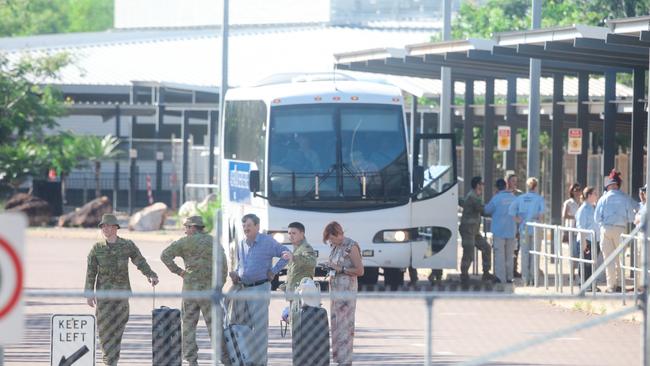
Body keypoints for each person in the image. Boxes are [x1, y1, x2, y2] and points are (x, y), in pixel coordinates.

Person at [85, 213, 159, 366]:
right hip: (104, 297)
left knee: (118, 330)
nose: (105, 229)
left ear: (115, 228)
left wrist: (150, 275)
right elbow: (91, 271)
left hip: (121, 296)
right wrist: (89, 293)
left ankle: (113, 361)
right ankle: (108, 361)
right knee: (105, 331)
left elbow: (140, 261)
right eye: (103, 226)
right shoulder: (97, 248)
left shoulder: (127, 245)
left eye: (108, 226)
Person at [160, 216, 228, 366]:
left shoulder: (184, 242)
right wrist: (219, 286)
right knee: (214, 325)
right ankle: (224, 358)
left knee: (189, 325)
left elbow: (164, 255)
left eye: (186, 228)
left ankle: (191, 360)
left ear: (192, 227)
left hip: (190, 290)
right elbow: (223, 265)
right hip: (209, 291)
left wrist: (179, 272)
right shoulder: (213, 242)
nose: (185, 231)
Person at [228, 213, 292, 365]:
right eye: (244, 226)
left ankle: (261, 362)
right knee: (244, 328)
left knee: (260, 329)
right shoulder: (242, 242)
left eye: (249, 226)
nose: (246, 229)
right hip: (243, 289)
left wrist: (274, 271)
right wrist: (236, 274)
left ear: (257, 226)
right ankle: (248, 360)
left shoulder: (267, 241)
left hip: (259, 289)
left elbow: (287, 254)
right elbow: (240, 265)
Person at [323, 221, 364, 366]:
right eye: (329, 240)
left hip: (346, 295)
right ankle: (340, 360)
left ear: (339, 233)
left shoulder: (350, 246)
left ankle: (346, 361)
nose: (331, 241)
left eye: (332, 238)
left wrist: (341, 269)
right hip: (335, 295)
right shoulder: (335, 247)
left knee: (345, 328)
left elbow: (360, 271)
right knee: (336, 327)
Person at [594, 170, 636, 293]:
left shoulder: (603, 198)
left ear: (609, 186)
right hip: (620, 230)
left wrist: (604, 223)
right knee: (620, 259)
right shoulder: (625, 197)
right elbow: (632, 217)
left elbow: (596, 218)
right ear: (617, 185)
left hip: (605, 229)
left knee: (608, 259)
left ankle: (611, 286)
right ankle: (620, 284)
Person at [459, 176, 495, 285]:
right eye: (481, 184)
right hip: (468, 230)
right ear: (477, 185)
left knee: (486, 248)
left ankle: (486, 272)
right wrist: (496, 211)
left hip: (474, 231)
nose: (483, 186)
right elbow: (483, 211)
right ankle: (464, 275)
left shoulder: (476, 196)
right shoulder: (473, 197)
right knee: (468, 253)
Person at [509, 177, 545, 286]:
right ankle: (534, 279)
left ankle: (525, 279)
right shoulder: (539, 199)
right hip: (535, 227)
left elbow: (511, 212)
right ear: (536, 186)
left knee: (524, 253)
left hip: (523, 227)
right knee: (535, 254)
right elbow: (541, 214)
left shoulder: (521, 198)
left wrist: (520, 220)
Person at [484, 179, 517, 283]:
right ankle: (509, 277)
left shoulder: (496, 198)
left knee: (499, 255)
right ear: (506, 186)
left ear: (497, 188)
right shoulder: (514, 198)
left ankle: (500, 277)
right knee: (509, 256)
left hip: (499, 231)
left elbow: (487, 210)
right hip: (511, 231)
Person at [284, 221, 317, 322]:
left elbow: (311, 262)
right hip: (294, 293)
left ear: (302, 234)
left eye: (294, 233)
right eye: (289, 233)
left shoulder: (306, 248)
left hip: (302, 294)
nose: (291, 236)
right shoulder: (297, 248)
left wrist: (294, 257)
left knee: (299, 325)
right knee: (294, 324)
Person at [576, 186, 599, 284]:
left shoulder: (592, 207)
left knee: (591, 264)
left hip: (594, 240)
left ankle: (590, 284)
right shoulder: (584, 209)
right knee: (586, 264)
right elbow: (580, 226)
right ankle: (585, 284)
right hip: (587, 240)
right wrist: (583, 241)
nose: (596, 196)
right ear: (589, 195)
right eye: (595, 193)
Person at [506, 173, 524, 278]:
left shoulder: (519, 194)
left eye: (516, 181)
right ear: (507, 182)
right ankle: (505, 270)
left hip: (516, 227)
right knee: (504, 250)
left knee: (515, 250)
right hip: (505, 227)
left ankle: (513, 270)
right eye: (513, 181)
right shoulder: (503, 193)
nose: (515, 183)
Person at [563, 183, 581, 279]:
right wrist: (575, 217)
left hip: (580, 230)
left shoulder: (582, 202)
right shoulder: (568, 202)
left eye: (579, 190)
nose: (577, 192)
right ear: (572, 191)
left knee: (579, 252)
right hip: (571, 230)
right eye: (575, 190)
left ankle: (579, 272)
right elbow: (564, 215)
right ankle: (572, 273)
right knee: (573, 252)